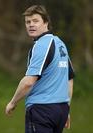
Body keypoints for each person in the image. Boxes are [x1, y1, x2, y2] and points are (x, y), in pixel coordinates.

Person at [5, 5, 74, 133]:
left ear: (46, 23)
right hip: (61, 110)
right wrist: (66, 109)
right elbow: (69, 79)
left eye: (35, 21)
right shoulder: (60, 44)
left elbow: (29, 82)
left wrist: (13, 102)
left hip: (42, 110)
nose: (31, 25)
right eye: (28, 22)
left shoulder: (41, 45)